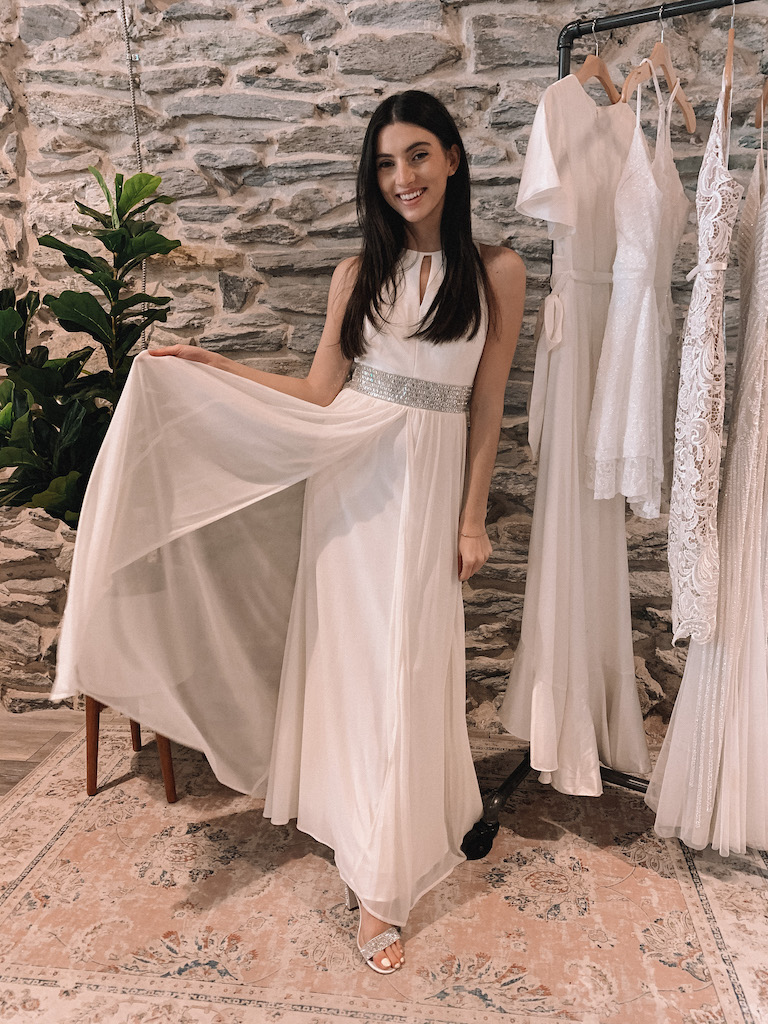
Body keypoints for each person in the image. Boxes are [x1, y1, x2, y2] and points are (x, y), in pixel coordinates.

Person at [52, 90, 525, 974]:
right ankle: (370, 857)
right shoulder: (359, 276)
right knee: (356, 664)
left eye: (418, 155)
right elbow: (317, 394)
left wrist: (470, 520)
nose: (403, 178)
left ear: (454, 158)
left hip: (425, 492)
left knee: (409, 663)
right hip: (352, 487)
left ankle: (406, 842)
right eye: (386, 163)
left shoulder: (497, 270)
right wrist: (213, 364)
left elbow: (488, 409)